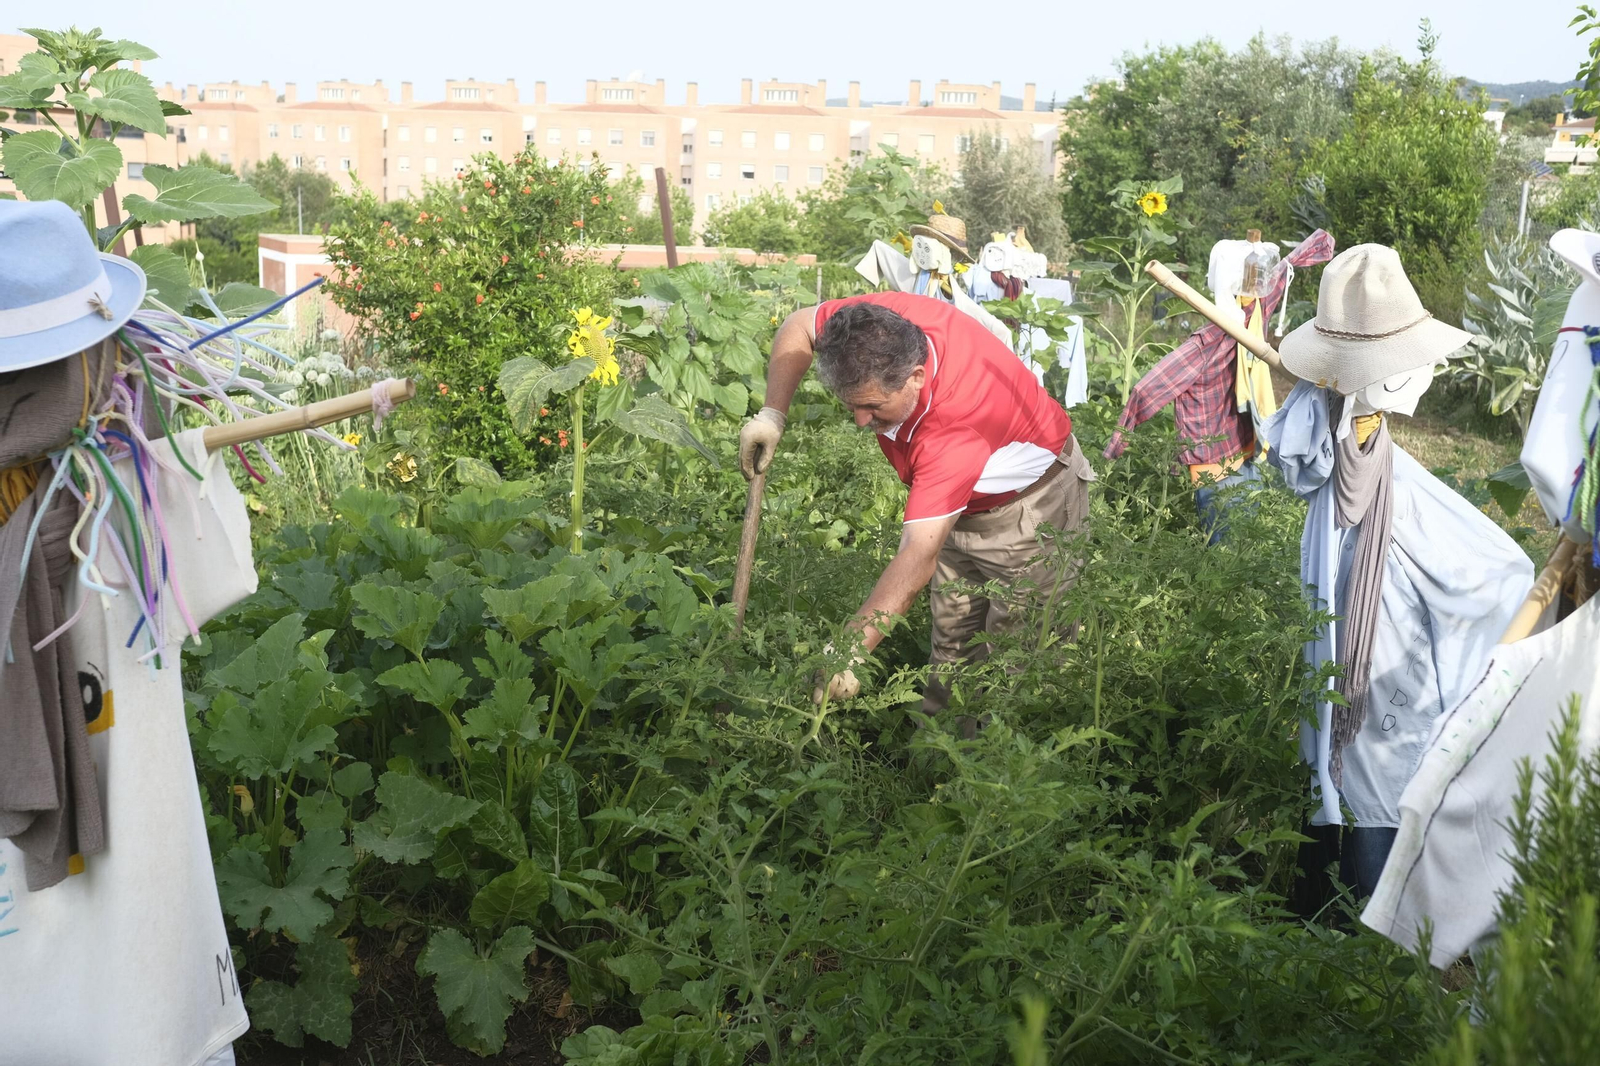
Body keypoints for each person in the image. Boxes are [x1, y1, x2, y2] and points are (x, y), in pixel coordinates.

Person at [738, 291, 1095, 721]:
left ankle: (1003, 757)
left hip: (1032, 513)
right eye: (851, 405)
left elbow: (917, 554)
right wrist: (772, 415)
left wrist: (851, 649)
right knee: (953, 645)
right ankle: (942, 753)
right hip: (960, 507)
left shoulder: (952, 426)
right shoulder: (879, 326)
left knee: (1019, 659)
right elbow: (799, 325)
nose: (860, 421)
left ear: (916, 377)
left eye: (872, 406)